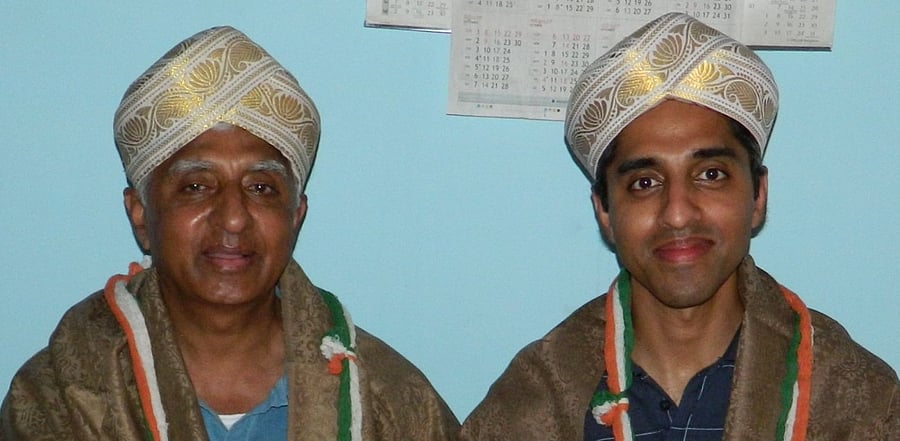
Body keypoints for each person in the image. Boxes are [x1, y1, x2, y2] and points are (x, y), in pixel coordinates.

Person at [0, 26, 459, 441]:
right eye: (196, 186)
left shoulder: (388, 401)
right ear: (140, 214)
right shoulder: (61, 399)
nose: (234, 218)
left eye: (261, 188)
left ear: (295, 215)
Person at [459, 12, 897, 441]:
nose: (678, 214)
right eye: (644, 183)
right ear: (604, 211)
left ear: (758, 195)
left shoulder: (856, 401)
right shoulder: (533, 403)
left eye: (710, 174)